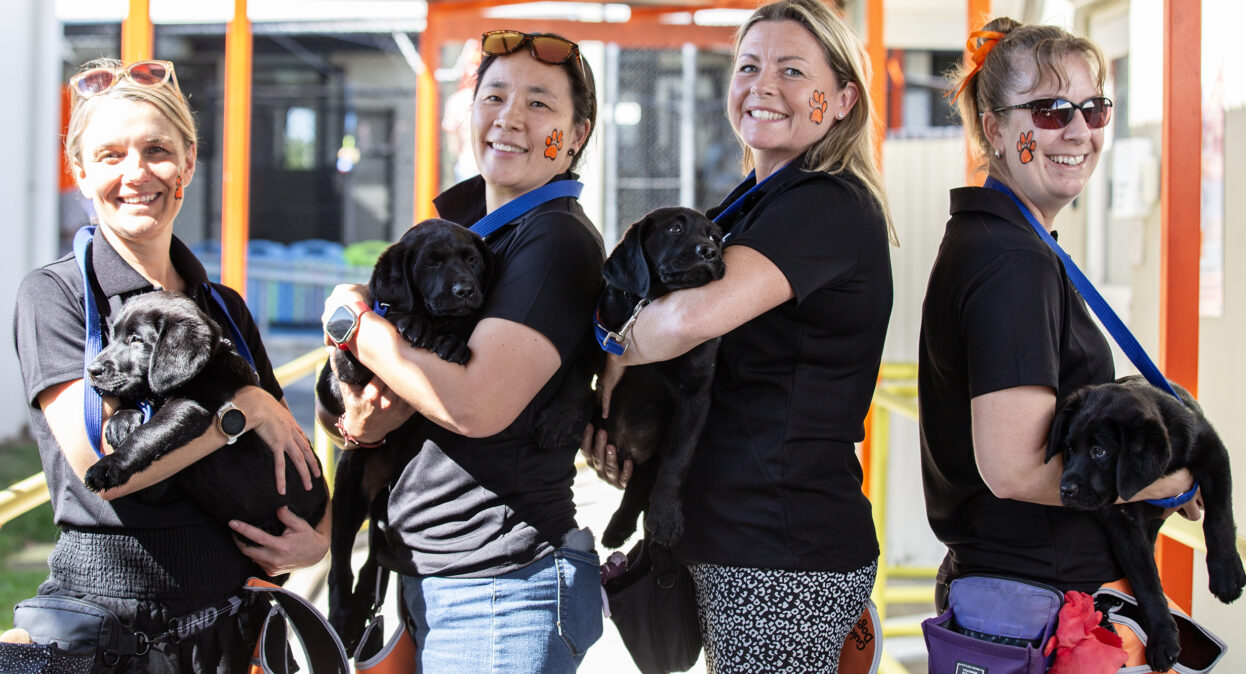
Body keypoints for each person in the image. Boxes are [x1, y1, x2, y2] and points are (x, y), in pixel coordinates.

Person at [583, 0, 895, 669]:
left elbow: (684, 320)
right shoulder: (749, 203)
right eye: (749, 65)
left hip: (780, 551)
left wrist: (611, 349)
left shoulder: (825, 203)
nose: (762, 84)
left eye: (791, 69)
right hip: (736, 538)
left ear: (841, 99)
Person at [13, 58, 329, 671]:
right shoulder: (56, 295)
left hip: (234, 625)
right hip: (112, 627)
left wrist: (319, 538)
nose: (137, 174)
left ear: (187, 162)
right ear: (79, 173)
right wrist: (242, 410)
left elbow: (290, 452)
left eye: (157, 150)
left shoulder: (223, 308)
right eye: (109, 156)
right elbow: (103, 466)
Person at [319, 30, 605, 672]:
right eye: (494, 96)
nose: (509, 119)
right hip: (444, 579)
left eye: (539, 104)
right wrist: (359, 424)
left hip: (502, 591)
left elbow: (472, 404)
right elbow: (384, 398)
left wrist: (353, 324)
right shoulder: (481, 236)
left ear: (578, 133)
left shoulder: (552, 241)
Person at [918, 17, 1197, 668]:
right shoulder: (1009, 260)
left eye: (1094, 109)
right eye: (1049, 111)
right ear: (994, 128)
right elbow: (1014, 466)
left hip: (1025, 596)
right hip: (1032, 606)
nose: (1079, 131)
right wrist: (1162, 478)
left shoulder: (1012, 244)